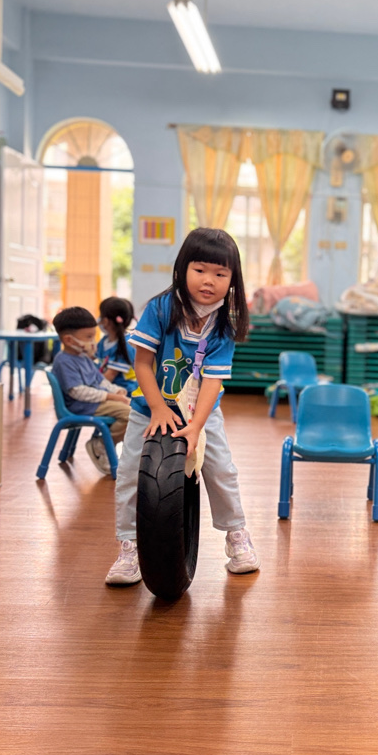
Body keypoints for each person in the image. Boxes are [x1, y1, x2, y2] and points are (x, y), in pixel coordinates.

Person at [105, 227, 260, 586]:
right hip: (149, 409)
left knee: (221, 470)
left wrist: (197, 425)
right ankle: (129, 548)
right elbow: (142, 363)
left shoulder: (222, 325)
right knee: (129, 474)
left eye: (220, 274)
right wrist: (159, 408)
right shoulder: (161, 308)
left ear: (233, 280)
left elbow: (213, 381)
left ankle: (236, 535)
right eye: (200, 270)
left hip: (201, 412)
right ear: (182, 268)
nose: (209, 280)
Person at [51, 306, 131, 475]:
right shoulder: (64, 361)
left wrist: (116, 390)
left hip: (93, 403)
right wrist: (111, 397)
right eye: (88, 337)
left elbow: (100, 380)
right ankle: (101, 444)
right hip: (82, 406)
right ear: (69, 340)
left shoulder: (83, 357)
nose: (93, 341)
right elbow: (78, 392)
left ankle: (107, 444)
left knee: (134, 409)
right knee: (130, 414)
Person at [97, 296, 137, 395]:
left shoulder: (125, 345)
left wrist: (91, 388)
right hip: (109, 389)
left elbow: (110, 376)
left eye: (100, 315)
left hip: (125, 393)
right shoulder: (104, 340)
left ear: (105, 321)